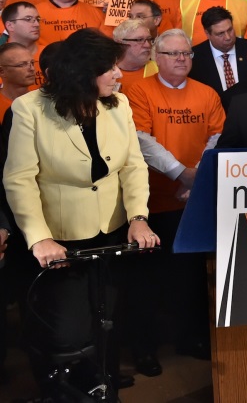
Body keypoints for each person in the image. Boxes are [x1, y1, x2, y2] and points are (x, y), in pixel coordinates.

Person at [3, 29, 157, 396]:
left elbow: (133, 166)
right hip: (60, 242)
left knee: (106, 322)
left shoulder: (118, 104)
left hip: (113, 233)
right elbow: (19, 179)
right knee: (68, 332)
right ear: (83, 71)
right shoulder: (29, 109)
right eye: (111, 69)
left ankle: (104, 387)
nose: (119, 75)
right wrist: (39, 238)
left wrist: (138, 217)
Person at [123, 29, 224, 374]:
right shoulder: (139, 91)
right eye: (173, 54)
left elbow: (217, 136)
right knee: (147, 283)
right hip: (152, 205)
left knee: (191, 278)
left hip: (194, 202)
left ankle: (190, 338)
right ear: (156, 56)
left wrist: (198, 177)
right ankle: (144, 349)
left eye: (187, 54)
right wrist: (182, 173)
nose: (182, 59)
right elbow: (141, 139)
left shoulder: (207, 93)